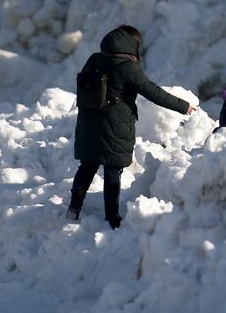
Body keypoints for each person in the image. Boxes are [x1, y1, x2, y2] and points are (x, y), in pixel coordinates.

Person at [70, 25, 197, 228]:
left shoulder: (94, 59)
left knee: (87, 165)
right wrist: (183, 106)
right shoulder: (127, 67)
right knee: (112, 170)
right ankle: (112, 217)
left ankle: (74, 208)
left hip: (89, 121)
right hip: (115, 125)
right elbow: (152, 92)